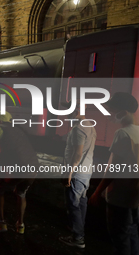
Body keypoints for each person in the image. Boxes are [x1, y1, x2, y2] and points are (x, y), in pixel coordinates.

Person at [89, 92, 139, 255]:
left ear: (123, 113)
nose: (109, 116)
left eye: (111, 111)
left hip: (120, 195)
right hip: (135, 194)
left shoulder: (122, 133)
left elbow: (112, 169)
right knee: (133, 234)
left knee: (120, 237)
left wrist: (98, 191)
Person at [59, 101, 97, 249]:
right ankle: (78, 229)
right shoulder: (89, 126)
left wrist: (68, 174)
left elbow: (78, 154)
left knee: (73, 205)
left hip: (76, 173)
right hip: (86, 171)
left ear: (74, 110)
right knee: (81, 203)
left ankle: (78, 238)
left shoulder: (78, 128)